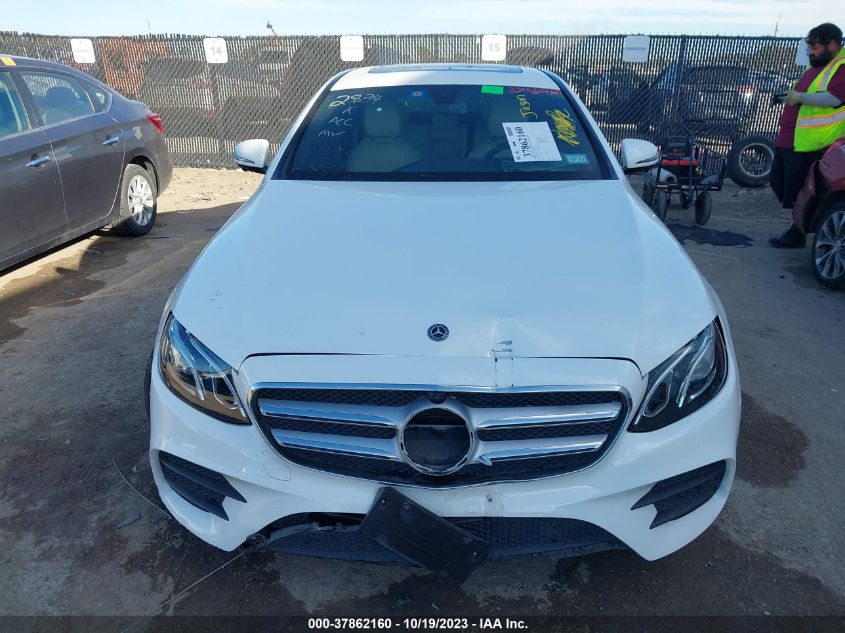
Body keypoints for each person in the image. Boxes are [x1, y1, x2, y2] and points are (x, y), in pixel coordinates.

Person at [769, 23, 845, 248]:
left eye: (815, 47)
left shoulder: (841, 66)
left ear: (833, 44)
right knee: (779, 181)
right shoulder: (819, 65)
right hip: (795, 139)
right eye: (809, 47)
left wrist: (799, 97)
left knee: (804, 191)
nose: (811, 52)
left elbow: (834, 98)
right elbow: (808, 91)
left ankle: (798, 232)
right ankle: (799, 229)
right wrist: (787, 96)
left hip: (816, 142)